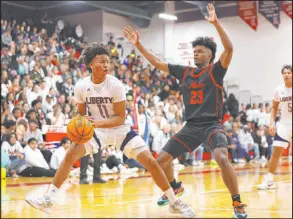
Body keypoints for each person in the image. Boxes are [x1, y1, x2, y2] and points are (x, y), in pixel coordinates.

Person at [25, 43, 194, 217]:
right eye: (102, 61)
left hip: (120, 130)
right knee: (71, 153)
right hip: (98, 132)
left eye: (108, 62)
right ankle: (48, 199)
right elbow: (82, 114)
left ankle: (174, 202)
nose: (107, 65)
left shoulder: (116, 85)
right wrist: (80, 123)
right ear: (91, 64)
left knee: (151, 162)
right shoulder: (81, 86)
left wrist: (96, 123)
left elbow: (120, 117)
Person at [123, 3, 247, 218]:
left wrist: (216, 23)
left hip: (211, 125)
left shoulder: (216, 71)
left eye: (200, 51)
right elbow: (157, 63)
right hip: (191, 125)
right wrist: (139, 45)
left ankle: (237, 203)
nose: (196, 54)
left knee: (222, 157)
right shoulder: (185, 71)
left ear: (210, 55)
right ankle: (175, 186)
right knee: (160, 161)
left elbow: (229, 49)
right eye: (194, 51)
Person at [258, 65, 292, 190]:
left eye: (289, 72)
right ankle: (270, 180)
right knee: (275, 152)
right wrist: (271, 123)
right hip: (284, 124)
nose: (286, 75)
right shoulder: (278, 90)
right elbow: (274, 108)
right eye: (284, 73)